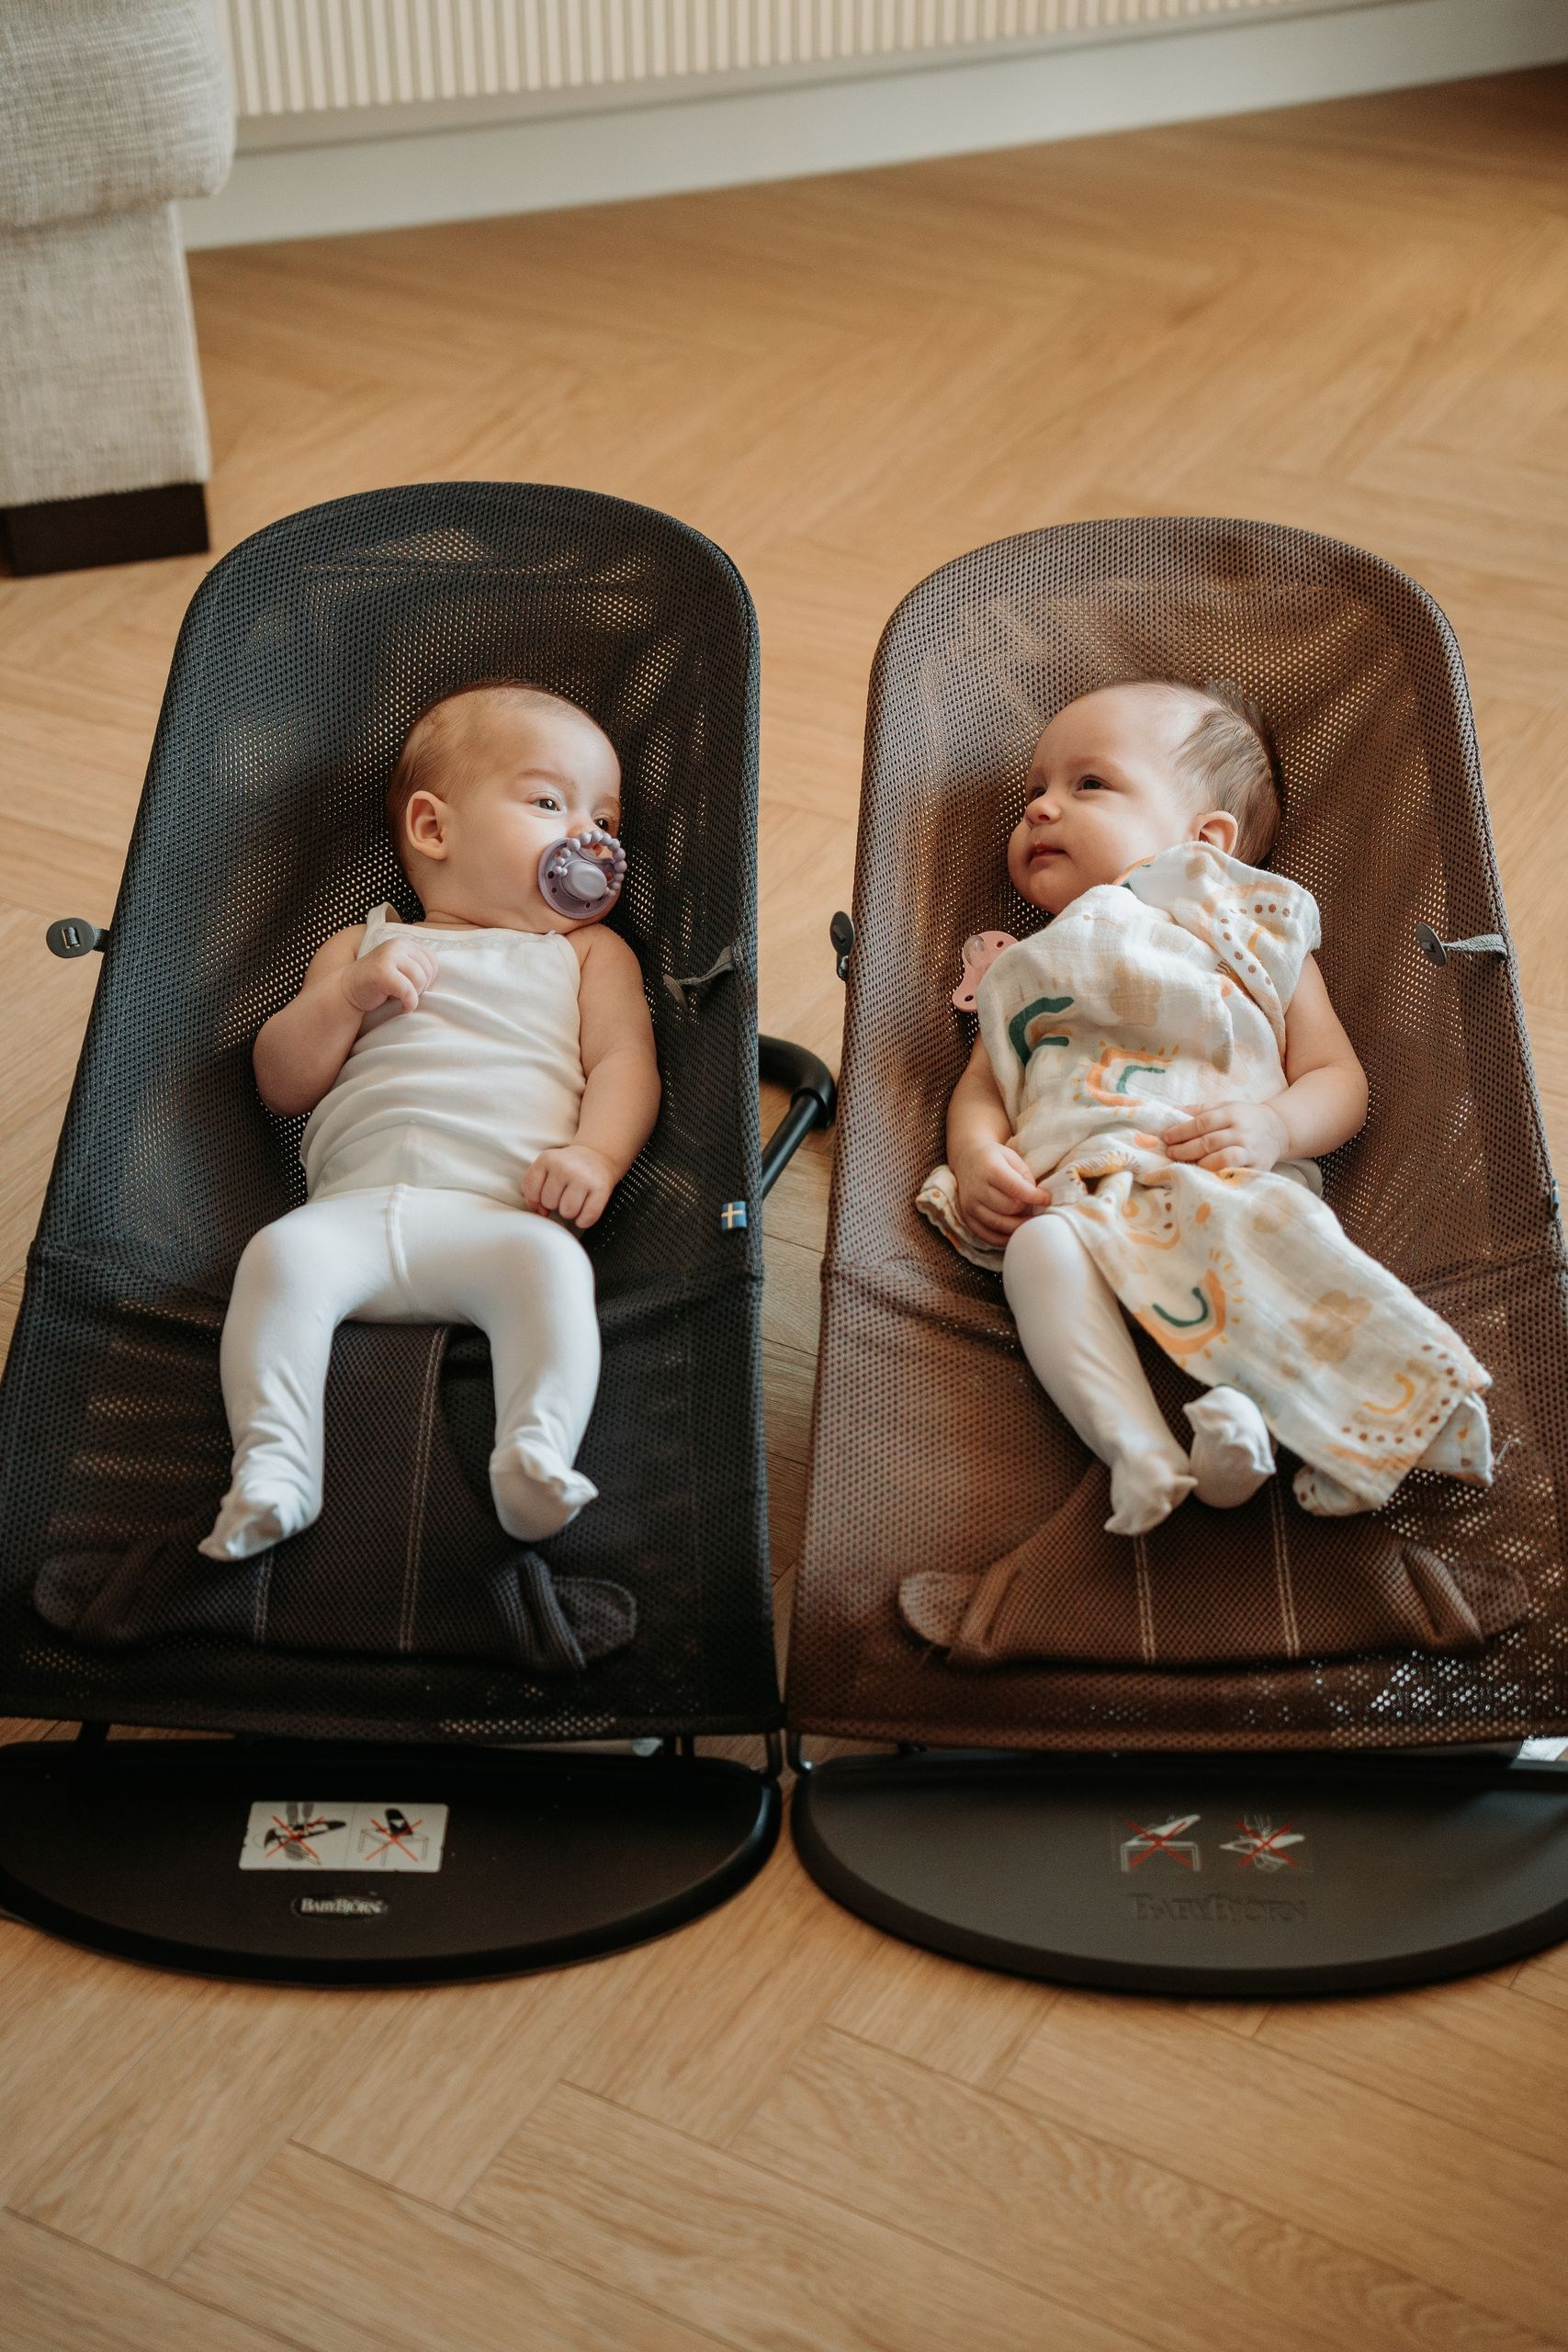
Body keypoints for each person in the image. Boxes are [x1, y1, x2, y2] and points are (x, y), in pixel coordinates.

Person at [919, 679, 1493, 1536]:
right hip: (1078, 1189)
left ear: (1204, 841)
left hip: (1225, 1176)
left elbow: (1338, 1078)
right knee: (1037, 1252)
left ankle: (1250, 1431)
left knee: (1285, 1273)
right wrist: (974, 1157)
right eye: (1034, 790)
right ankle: (1137, 1447)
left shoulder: (1253, 934)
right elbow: (985, 1084)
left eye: (1088, 784)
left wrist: (1277, 1126)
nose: (1039, 808)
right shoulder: (1028, 960)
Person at [199, 680, 660, 1563]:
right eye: (549, 803)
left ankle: (533, 1454)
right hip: (348, 1215)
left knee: (553, 1271)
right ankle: (274, 1467)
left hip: (501, 1215)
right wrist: (344, 998)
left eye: (606, 819)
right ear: (433, 829)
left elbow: (624, 1064)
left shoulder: (586, 955)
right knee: (278, 1260)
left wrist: (595, 1155)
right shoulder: (361, 946)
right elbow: (282, 1084)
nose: (591, 839)